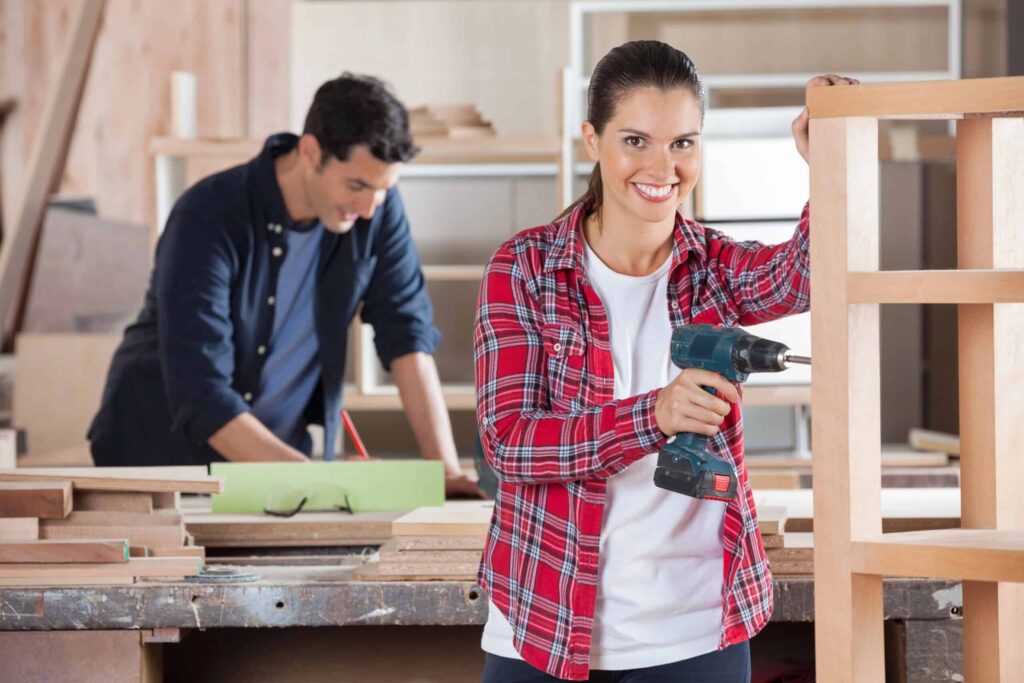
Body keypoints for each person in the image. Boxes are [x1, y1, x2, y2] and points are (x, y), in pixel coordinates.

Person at [473, 41, 857, 681]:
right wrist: (653, 414)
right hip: (543, 623)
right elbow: (510, 442)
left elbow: (803, 276)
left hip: (695, 627)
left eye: (684, 142)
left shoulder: (716, 268)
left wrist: (831, 161)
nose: (663, 165)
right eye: (637, 141)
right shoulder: (525, 269)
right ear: (592, 141)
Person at [89, 72, 482, 498]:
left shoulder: (374, 210)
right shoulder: (207, 216)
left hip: (275, 466)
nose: (369, 208)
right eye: (357, 185)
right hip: (160, 460)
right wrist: (321, 483)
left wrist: (444, 471)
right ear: (311, 151)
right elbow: (200, 392)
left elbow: (407, 336)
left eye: (384, 190)